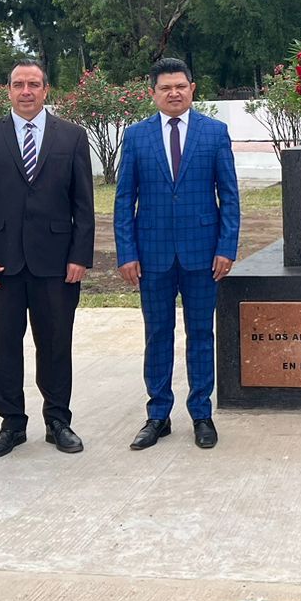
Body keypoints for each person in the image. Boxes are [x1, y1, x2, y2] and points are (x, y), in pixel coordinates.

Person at [0, 59, 94, 459]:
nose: (26, 91)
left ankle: (58, 421)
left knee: (55, 344)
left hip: (56, 263)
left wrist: (79, 256)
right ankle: (11, 423)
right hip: (1, 266)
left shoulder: (71, 137)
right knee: (2, 346)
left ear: (46, 89)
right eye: (18, 84)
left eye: (33, 84)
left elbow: (83, 204)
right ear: (8, 90)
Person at [115, 58, 241, 450]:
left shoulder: (214, 133)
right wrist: (126, 252)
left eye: (180, 86)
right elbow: (124, 201)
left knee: (201, 333)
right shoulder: (136, 137)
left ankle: (201, 413)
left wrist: (226, 247)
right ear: (152, 93)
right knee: (157, 334)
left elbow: (230, 197)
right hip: (151, 256)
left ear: (192, 88)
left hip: (203, 256)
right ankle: (158, 415)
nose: (174, 93)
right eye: (165, 88)